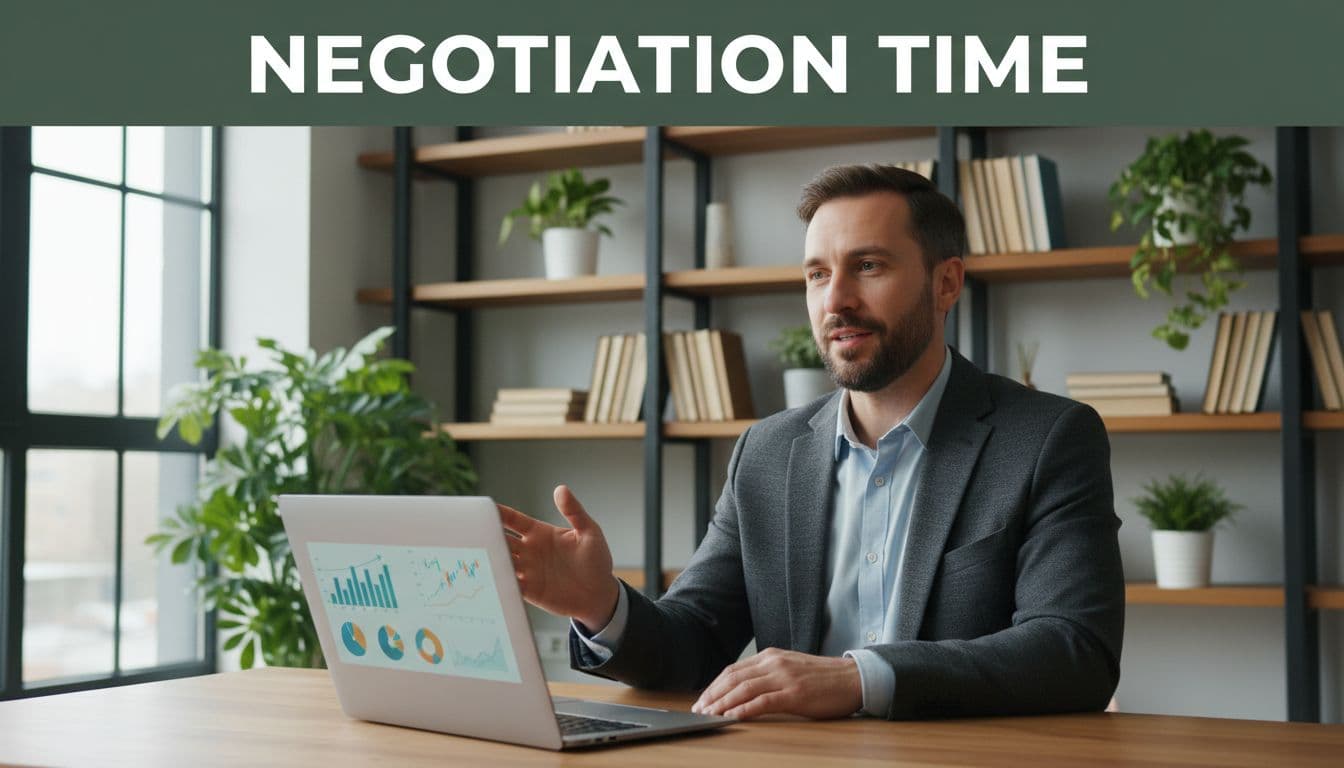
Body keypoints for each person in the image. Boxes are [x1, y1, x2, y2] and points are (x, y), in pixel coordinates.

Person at [498, 164, 1124, 721]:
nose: (836, 300)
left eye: (868, 266)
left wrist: (857, 678)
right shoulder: (767, 453)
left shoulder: (1047, 438)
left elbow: (1074, 649)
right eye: (817, 274)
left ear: (946, 284)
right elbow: (694, 643)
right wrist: (599, 603)